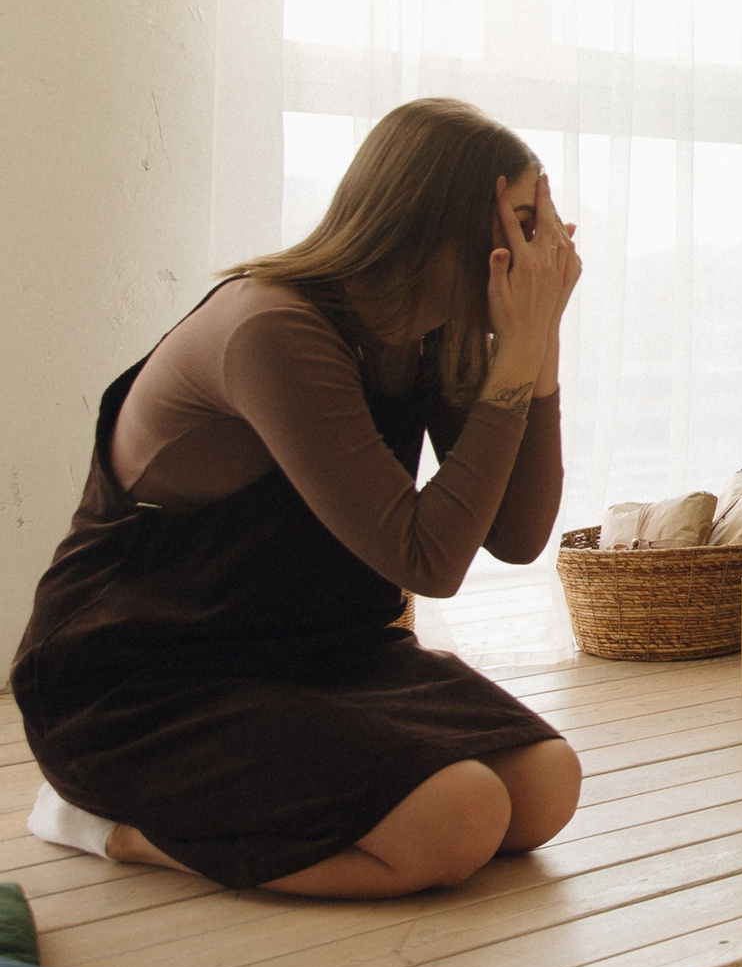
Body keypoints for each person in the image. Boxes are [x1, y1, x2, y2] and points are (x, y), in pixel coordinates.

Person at [13, 97, 585, 899]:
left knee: (544, 785)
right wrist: (520, 348)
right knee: (457, 819)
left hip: (316, 653)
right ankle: (110, 830)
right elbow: (428, 560)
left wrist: (539, 348)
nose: (546, 247)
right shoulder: (274, 329)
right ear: (446, 225)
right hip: (143, 682)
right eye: (525, 220)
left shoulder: (436, 332)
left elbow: (518, 538)